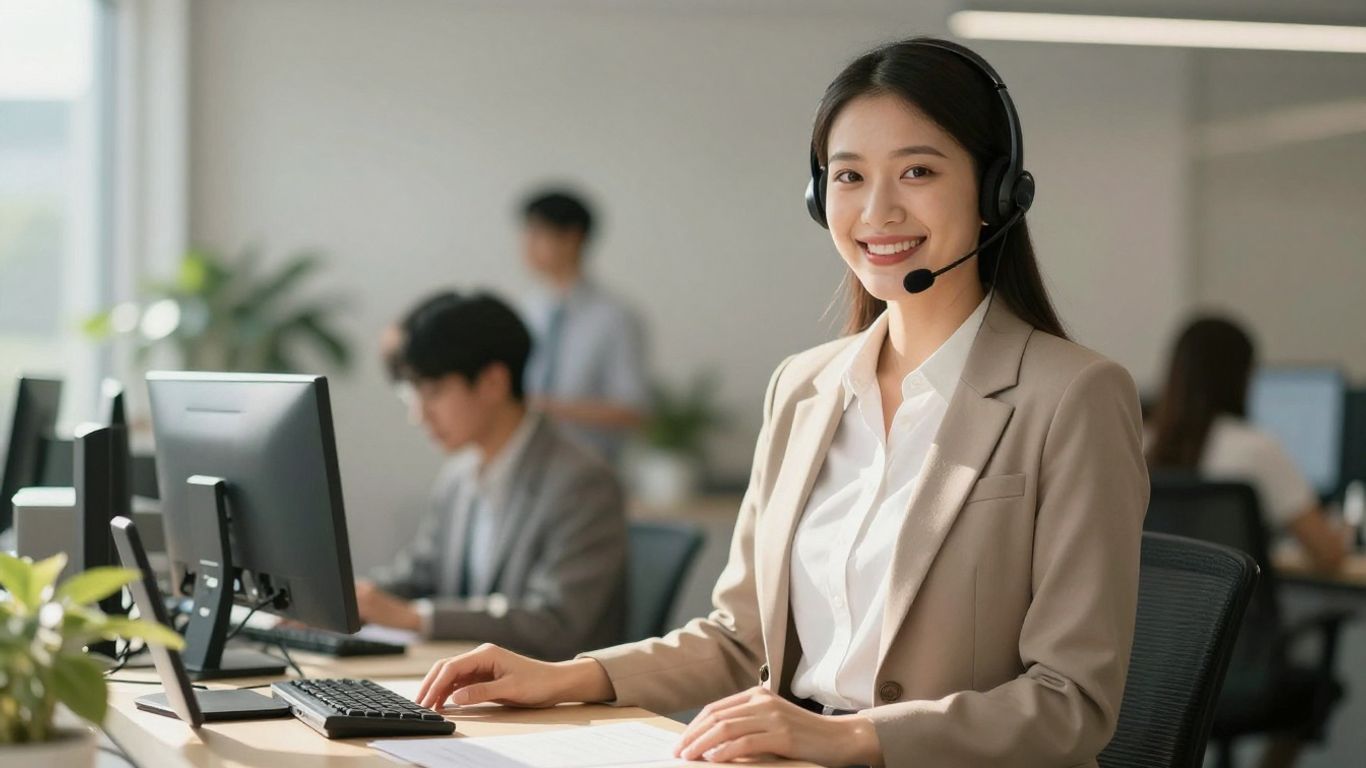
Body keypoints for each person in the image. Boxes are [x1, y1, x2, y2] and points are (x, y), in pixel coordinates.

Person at [415, 38, 1148, 767]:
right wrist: (565, 677)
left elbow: (1072, 701)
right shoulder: (803, 387)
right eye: (849, 176)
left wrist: (853, 737)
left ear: (996, 193)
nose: (878, 210)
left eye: (918, 171)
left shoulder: (1073, 397)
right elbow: (739, 638)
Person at [361, 291, 628, 660]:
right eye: (413, 394)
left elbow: (557, 623)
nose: (419, 415)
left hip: (553, 689)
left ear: (493, 383)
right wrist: (345, 601)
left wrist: (416, 618)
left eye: (433, 391)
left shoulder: (581, 481)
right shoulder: (458, 475)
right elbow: (421, 575)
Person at [1148, 316, 1347, 573]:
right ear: (1242, 376)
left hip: (1164, 598)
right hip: (1241, 600)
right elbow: (1328, 554)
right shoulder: (1256, 447)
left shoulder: (1145, 444)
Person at [516, 189, 650, 462]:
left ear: (572, 238)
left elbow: (633, 409)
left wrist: (541, 407)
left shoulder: (615, 317)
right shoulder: (527, 310)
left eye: (537, 234)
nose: (526, 245)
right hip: (528, 461)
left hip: (590, 463)